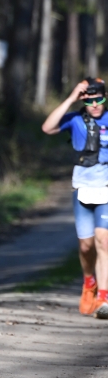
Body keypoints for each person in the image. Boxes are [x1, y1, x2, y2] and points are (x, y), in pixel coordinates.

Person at [41, 77, 108, 319]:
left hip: (106, 189)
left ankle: (104, 298)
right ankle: (89, 282)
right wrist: (70, 98)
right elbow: (47, 128)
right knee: (86, 245)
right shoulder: (75, 120)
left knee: (104, 241)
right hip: (82, 188)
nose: (95, 105)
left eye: (99, 99)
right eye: (89, 101)